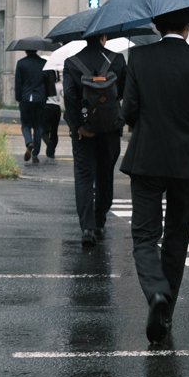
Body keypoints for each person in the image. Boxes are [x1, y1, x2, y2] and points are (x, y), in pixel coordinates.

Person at [121, 8, 189, 344]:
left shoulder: (139, 57)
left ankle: (155, 292)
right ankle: (167, 311)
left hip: (146, 157)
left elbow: (128, 110)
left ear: (156, 25)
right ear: (188, 26)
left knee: (145, 235)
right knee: (177, 238)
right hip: (184, 162)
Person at [63, 34, 127, 244]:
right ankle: (100, 222)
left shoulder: (72, 63)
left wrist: (77, 126)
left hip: (84, 131)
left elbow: (70, 97)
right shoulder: (117, 60)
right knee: (105, 174)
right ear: (104, 37)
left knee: (83, 176)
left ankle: (87, 228)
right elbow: (124, 92)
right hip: (110, 130)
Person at [14, 47, 47, 164]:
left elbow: (18, 82)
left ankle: (29, 142)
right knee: (38, 126)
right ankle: (35, 154)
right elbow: (48, 81)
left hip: (26, 98)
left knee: (25, 125)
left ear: (26, 50)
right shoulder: (44, 63)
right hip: (40, 98)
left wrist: (18, 97)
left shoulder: (21, 63)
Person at [41, 65, 62, 160]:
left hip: (47, 106)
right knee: (54, 131)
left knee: (44, 131)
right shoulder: (60, 84)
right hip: (57, 108)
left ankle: (49, 145)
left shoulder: (45, 83)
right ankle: (51, 152)